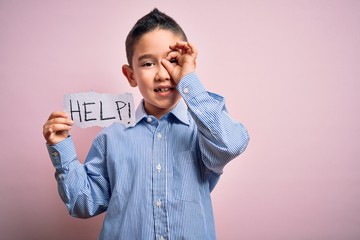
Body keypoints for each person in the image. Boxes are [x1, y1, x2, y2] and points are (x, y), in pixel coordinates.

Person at [43, 8, 249, 240]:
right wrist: (62, 148)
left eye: (172, 61)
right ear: (131, 76)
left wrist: (189, 81)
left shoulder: (203, 130)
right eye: (148, 64)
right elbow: (83, 202)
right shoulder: (112, 137)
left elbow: (231, 145)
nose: (162, 74)